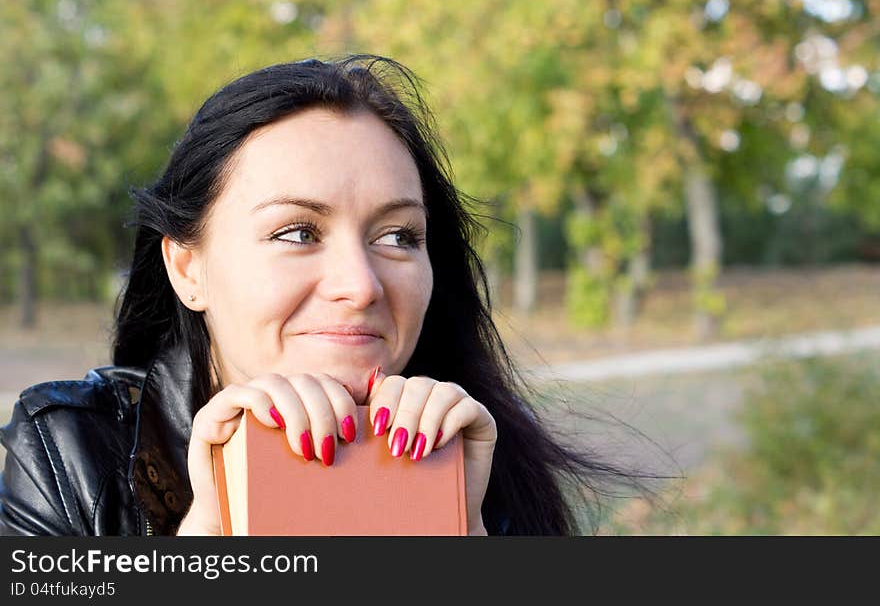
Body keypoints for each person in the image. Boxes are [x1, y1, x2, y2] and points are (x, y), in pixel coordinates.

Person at [0, 55, 644, 536]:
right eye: (297, 232)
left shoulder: (485, 461)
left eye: (398, 236)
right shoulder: (69, 460)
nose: (362, 285)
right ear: (187, 268)